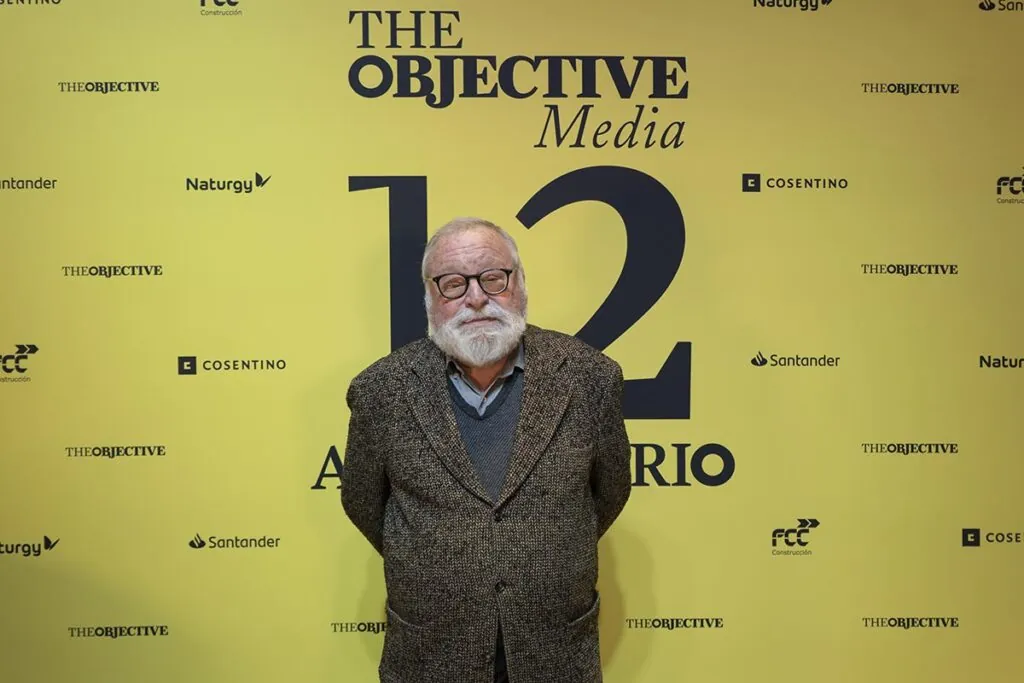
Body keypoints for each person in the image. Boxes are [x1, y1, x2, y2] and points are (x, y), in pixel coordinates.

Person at [341, 217, 632, 683]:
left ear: (520, 284)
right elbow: (363, 501)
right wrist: (441, 558)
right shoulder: (381, 391)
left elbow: (609, 492)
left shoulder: (590, 379)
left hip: (556, 648)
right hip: (430, 651)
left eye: (493, 278)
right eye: (453, 284)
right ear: (430, 297)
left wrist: (542, 550)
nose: (476, 298)